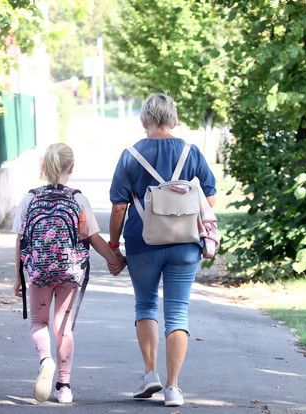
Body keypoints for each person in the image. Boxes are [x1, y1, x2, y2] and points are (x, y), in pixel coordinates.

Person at [108, 93, 216, 407]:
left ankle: (149, 373)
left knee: (145, 306)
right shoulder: (191, 152)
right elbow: (209, 198)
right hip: (185, 244)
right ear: (174, 120)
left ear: (144, 121)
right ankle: (173, 388)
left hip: (143, 243)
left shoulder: (130, 155)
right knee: (178, 313)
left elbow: (118, 207)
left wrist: (114, 246)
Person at [12, 143, 125, 404]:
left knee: (38, 323)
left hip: (38, 272)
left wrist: (18, 276)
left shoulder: (30, 199)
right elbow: (95, 239)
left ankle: (46, 360)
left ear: (44, 167)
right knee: (63, 327)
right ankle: (63, 386)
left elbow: (20, 240)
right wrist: (115, 261)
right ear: (71, 167)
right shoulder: (78, 199)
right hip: (70, 272)